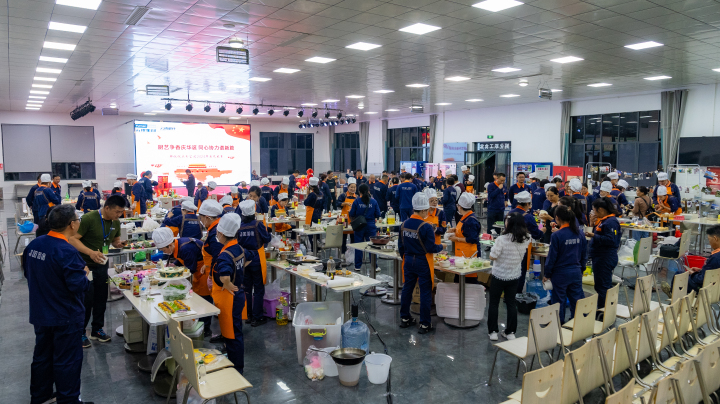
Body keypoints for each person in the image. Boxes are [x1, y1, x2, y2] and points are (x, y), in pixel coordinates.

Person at [23, 205, 93, 404]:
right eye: (77, 219)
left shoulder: (34, 245)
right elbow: (77, 286)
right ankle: (68, 400)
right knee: (67, 360)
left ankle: (40, 397)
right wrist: (84, 274)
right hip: (65, 316)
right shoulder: (66, 251)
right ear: (72, 225)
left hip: (41, 312)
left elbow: (28, 273)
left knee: (42, 357)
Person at [68, 195, 127, 347]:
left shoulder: (115, 222)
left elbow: (114, 240)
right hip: (85, 266)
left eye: (121, 212)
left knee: (101, 298)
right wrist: (90, 253)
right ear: (107, 208)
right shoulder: (89, 218)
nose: (119, 215)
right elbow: (73, 239)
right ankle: (81, 332)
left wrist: (119, 244)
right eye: (117, 211)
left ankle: (97, 330)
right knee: (86, 300)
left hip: (101, 264)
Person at [398, 193, 444, 334]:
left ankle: (405, 318)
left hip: (408, 260)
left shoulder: (404, 224)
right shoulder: (426, 227)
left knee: (407, 289)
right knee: (425, 292)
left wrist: (406, 257)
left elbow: (401, 246)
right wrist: (441, 247)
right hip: (423, 261)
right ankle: (424, 323)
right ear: (423, 210)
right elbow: (431, 247)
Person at [211, 213, 249, 374]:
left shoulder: (225, 254)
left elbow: (224, 274)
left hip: (230, 299)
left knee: (232, 336)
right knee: (236, 332)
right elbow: (249, 258)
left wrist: (227, 283)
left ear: (220, 233)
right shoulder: (238, 247)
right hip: (238, 295)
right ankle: (236, 366)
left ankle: (237, 370)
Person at [153, 226, 208, 335]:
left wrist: (175, 275)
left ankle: (206, 327)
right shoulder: (177, 245)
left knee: (204, 300)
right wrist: (175, 265)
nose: (165, 252)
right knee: (198, 297)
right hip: (196, 269)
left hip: (203, 271)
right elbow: (182, 258)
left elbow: (191, 268)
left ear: (170, 245)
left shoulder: (185, 248)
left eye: (164, 250)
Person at [487, 212, 531, 341]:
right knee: (511, 303)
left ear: (509, 223)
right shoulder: (527, 238)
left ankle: (493, 332)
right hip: (514, 275)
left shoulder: (502, 239)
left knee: (494, 303)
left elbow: (493, 256)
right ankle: (510, 332)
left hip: (499, 275)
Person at [543, 206, 587, 322]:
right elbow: (584, 254)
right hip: (576, 271)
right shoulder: (580, 233)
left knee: (558, 301)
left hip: (560, 274)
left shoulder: (557, 235)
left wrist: (547, 274)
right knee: (576, 300)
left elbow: (552, 257)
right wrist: (582, 269)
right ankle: (576, 324)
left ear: (557, 218)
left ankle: (559, 326)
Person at [237, 200, 271, 326]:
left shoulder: (239, 226)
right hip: (257, 259)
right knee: (258, 289)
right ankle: (257, 317)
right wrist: (268, 231)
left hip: (245, 260)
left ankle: (249, 315)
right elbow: (266, 238)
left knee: (247, 289)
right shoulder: (258, 225)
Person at [662, 225, 720, 296]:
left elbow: (701, 279)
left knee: (679, 275)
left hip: (705, 288)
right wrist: (700, 270)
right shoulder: (716, 256)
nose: (709, 243)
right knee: (682, 273)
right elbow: (712, 272)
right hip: (716, 286)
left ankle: (674, 296)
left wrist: (693, 274)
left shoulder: (715, 257)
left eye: (709, 239)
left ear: (715, 238)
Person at [585, 197, 621, 308]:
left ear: (600, 209)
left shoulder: (611, 222)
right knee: (601, 285)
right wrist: (592, 224)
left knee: (603, 286)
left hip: (605, 257)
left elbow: (611, 240)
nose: (593, 213)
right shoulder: (603, 221)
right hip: (599, 256)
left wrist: (594, 235)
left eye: (594, 210)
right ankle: (604, 309)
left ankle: (603, 311)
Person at [198, 200, 223, 339]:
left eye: (201, 218)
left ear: (207, 217)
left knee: (222, 307)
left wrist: (212, 276)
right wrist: (206, 265)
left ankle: (227, 338)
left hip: (218, 274)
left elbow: (217, 256)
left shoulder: (215, 233)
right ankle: (225, 334)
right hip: (212, 270)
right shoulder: (214, 228)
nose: (201, 221)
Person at [509, 191, 543, 294]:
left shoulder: (509, 213)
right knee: (521, 271)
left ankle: (509, 294)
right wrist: (542, 230)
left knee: (510, 270)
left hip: (509, 246)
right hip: (522, 248)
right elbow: (536, 234)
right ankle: (517, 294)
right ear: (527, 203)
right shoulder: (528, 217)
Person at [448, 193, 482, 284]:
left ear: (460, 206)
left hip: (469, 255)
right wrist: (454, 230)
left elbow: (472, 239)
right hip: (462, 254)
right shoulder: (465, 217)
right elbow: (464, 231)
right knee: (459, 279)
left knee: (469, 281)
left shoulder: (471, 220)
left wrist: (456, 239)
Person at [350, 184, 381, 270]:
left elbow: (352, 213)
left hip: (359, 226)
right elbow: (378, 214)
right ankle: (374, 266)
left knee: (358, 246)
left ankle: (357, 266)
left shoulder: (356, 201)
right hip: (371, 226)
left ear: (359, 192)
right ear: (368, 191)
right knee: (372, 246)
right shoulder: (374, 202)